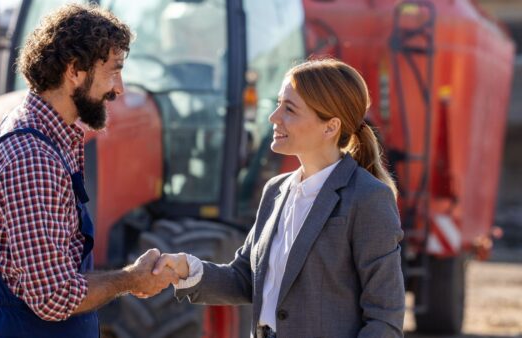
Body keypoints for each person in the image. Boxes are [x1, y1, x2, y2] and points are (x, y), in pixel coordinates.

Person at [0, 4, 178, 338]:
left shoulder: (52, 137)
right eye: (113, 71)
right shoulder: (32, 157)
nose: (118, 88)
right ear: (75, 70)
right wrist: (131, 279)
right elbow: (53, 298)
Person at [153, 58, 405, 337]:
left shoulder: (368, 197)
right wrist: (186, 268)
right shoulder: (276, 190)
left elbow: (385, 318)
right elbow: (246, 278)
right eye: (277, 104)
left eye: (290, 109)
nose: (274, 117)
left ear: (330, 127)